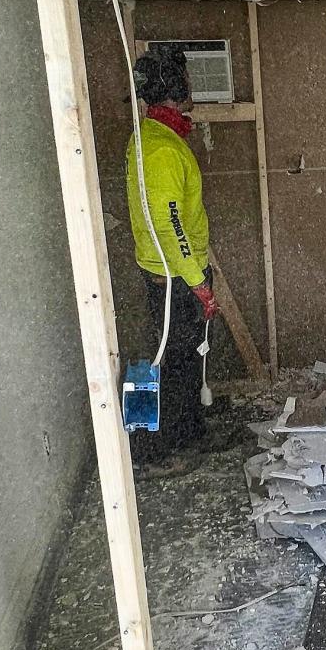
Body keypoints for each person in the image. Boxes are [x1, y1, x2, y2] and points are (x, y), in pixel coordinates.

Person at [126, 49, 220, 473]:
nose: (192, 91)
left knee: (184, 357)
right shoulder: (162, 149)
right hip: (172, 276)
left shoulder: (155, 138)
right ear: (174, 88)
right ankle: (152, 454)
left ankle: (188, 434)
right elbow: (170, 223)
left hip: (170, 271)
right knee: (173, 360)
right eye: (185, 81)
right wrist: (197, 281)